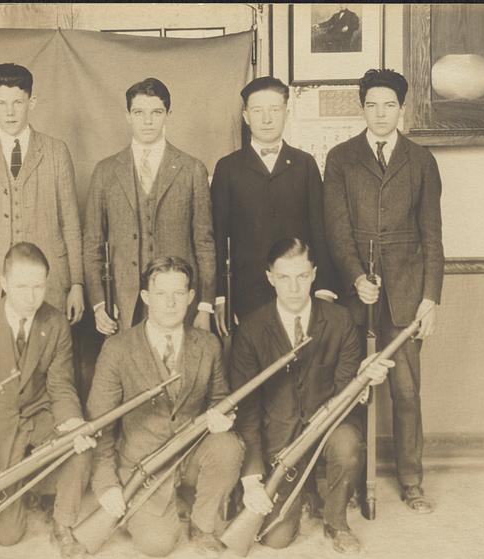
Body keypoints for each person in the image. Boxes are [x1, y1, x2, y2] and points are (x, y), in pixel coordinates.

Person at [323, 69, 444, 514]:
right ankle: (352, 478)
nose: (380, 113)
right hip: (357, 295)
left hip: (408, 295)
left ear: (402, 108)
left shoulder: (421, 159)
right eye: (371, 104)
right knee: (353, 387)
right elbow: (336, 229)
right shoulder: (340, 158)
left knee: (407, 392)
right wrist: (356, 277)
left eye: (389, 104)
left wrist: (430, 298)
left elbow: (432, 234)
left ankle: (412, 481)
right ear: (362, 107)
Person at [230, 238, 393, 553]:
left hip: (328, 429)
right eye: (284, 278)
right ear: (269, 278)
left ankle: (336, 521)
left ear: (314, 274)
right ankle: (302, 495)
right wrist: (252, 476)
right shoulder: (251, 328)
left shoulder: (340, 319)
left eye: (302, 276)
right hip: (278, 444)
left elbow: (346, 393)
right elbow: (247, 410)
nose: (293, 287)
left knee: (348, 444)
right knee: (276, 540)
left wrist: (364, 383)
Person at [87, 256, 243, 557]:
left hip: (191, 455)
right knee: (157, 545)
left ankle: (202, 524)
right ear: (146, 297)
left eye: (178, 294)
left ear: (191, 297)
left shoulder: (208, 344)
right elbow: (100, 425)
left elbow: (219, 400)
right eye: (161, 294)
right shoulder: (117, 348)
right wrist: (107, 485)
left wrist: (225, 418)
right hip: (142, 465)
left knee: (228, 447)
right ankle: (155, 505)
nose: (170, 303)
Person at [0, 242, 92, 559]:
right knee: (7, 535)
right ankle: (24, 487)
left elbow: (61, 385)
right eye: (21, 286)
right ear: (3, 283)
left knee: (81, 445)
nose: (31, 297)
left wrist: (73, 423)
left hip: (40, 412)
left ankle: (63, 524)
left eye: (38, 286)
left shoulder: (55, 322)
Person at [0, 63, 84, 327]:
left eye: (18, 102)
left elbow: (70, 224)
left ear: (31, 102)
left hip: (48, 283)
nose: (10, 112)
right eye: (2, 103)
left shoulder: (56, 152)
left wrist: (77, 284)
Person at [83, 78, 216, 336]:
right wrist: (100, 303)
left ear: (168, 114)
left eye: (156, 112)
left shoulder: (192, 169)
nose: (147, 121)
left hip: (177, 301)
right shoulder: (105, 171)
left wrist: (205, 305)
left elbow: (204, 242)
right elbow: (92, 245)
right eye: (139, 113)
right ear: (127, 116)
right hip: (122, 303)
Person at [211, 76, 336, 335]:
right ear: (246, 116)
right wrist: (221, 297)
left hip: (299, 290)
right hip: (246, 294)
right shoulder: (228, 167)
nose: (266, 119)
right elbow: (218, 236)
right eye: (258, 111)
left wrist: (323, 287)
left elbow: (320, 230)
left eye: (274, 110)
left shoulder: (305, 164)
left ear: (286, 113)